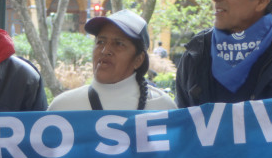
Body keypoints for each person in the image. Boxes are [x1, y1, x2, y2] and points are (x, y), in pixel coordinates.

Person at [48, 10, 176, 111]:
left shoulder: (163, 108)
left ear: (138, 59)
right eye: (100, 42)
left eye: (119, 44)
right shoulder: (62, 107)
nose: (105, 51)